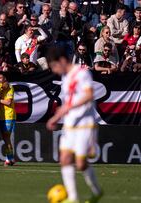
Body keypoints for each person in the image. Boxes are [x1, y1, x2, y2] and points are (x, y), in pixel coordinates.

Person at [46, 45, 103, 203]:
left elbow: (89, 95)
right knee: (64, 158)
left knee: (81, 163)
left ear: (63, 60)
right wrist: (56, 117)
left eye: (55, 66)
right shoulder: (65, 78)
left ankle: (97, 191)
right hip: (70, 123)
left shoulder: (82, 73)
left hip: (84, 123)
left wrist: (68, 108)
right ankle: (73, 198)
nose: (55, 71)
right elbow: (68, 102)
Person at [0, 72, 16, 166]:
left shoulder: (10, 87)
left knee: (7, 137)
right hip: (1, 116)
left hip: (9, 115)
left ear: (5, 78)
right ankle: (11, 158)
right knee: (5, 138)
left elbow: (8, 102)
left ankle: (8, 159)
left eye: (0, 78)